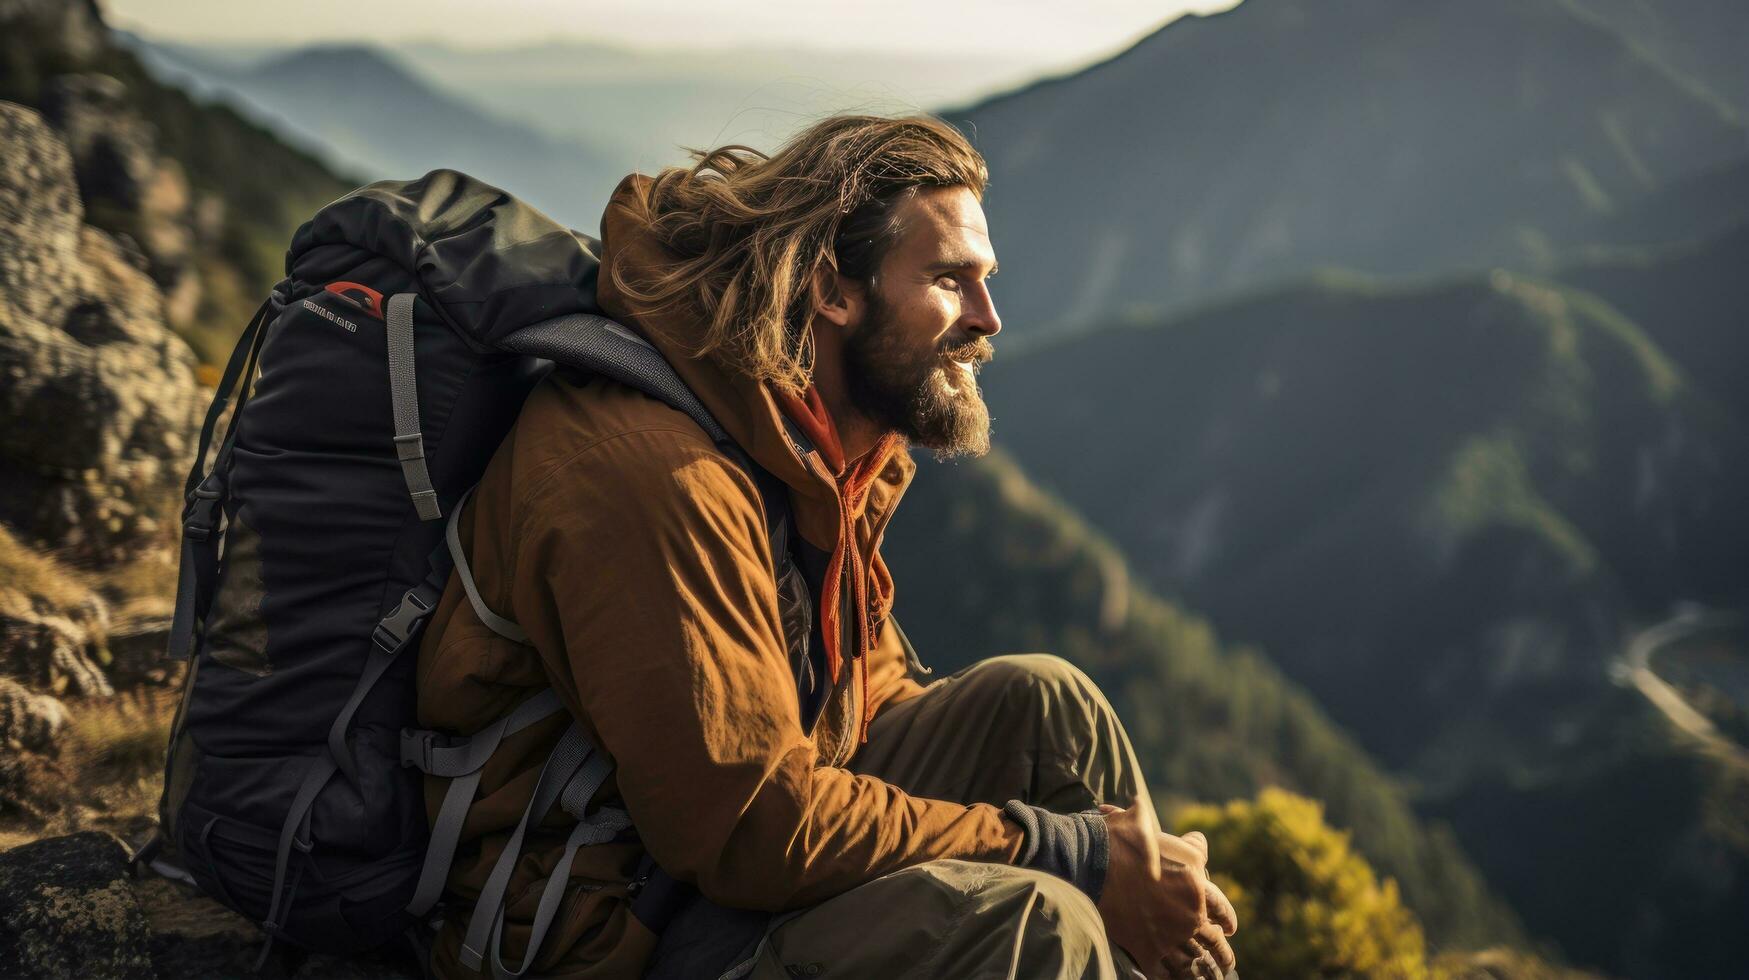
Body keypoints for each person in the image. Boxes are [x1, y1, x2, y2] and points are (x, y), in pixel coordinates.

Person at [415, 113, 1238, 979]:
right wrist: (1058, 851)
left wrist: (1100, 859)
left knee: (1043, 707)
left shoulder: (798, 438)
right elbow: (748, 829)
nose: (990, 318)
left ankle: (1162, 942)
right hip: (607, 919)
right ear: (831, 290)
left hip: (699, 862)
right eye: (950, 281)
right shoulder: (657, 475)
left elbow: (856, 696)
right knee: (1036, 922)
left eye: (985, 280)